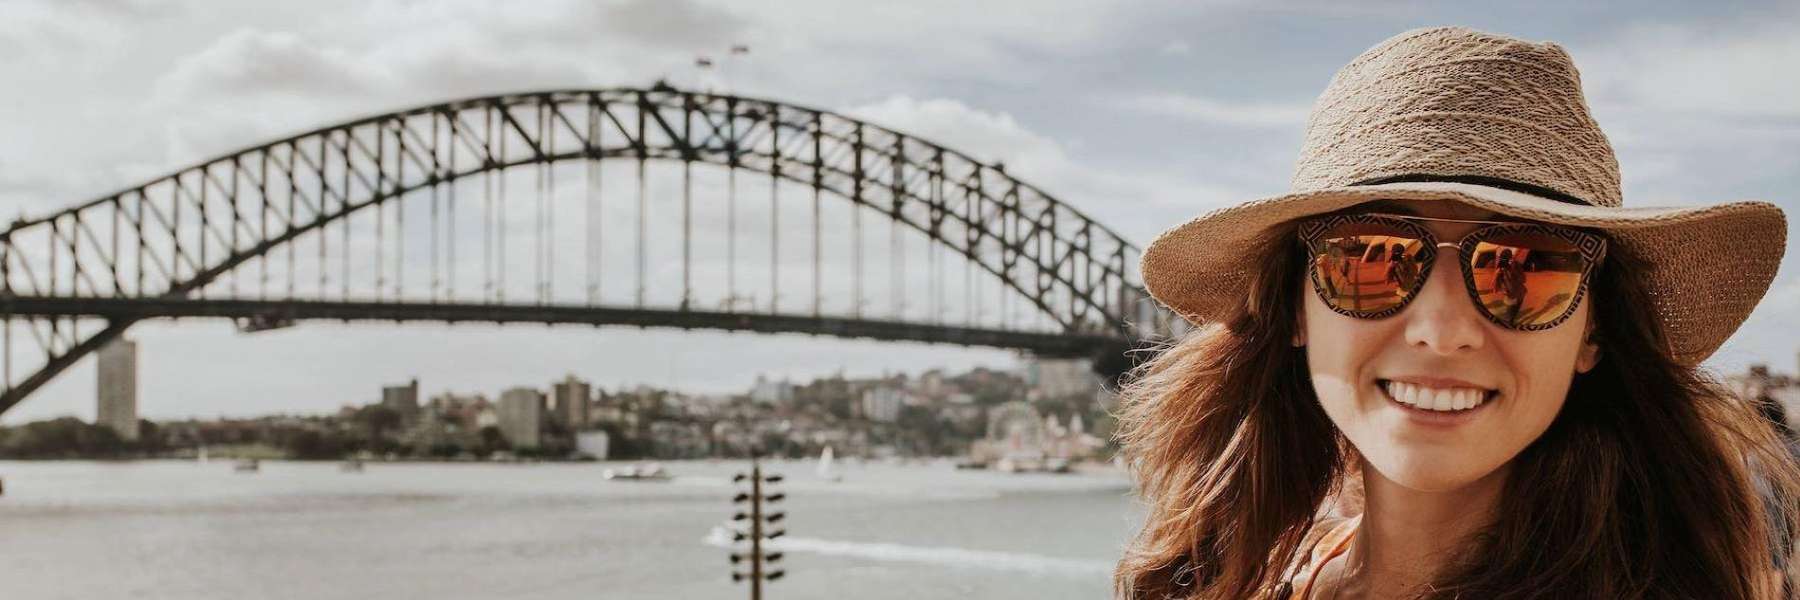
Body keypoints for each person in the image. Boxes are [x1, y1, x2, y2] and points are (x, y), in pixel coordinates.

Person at [1113, 27, 1796, 599]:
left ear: (1594, 329)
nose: (1441, 330)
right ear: (1296, 308)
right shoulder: (1270, 573)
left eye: (1526, 270)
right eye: (1370, 259)